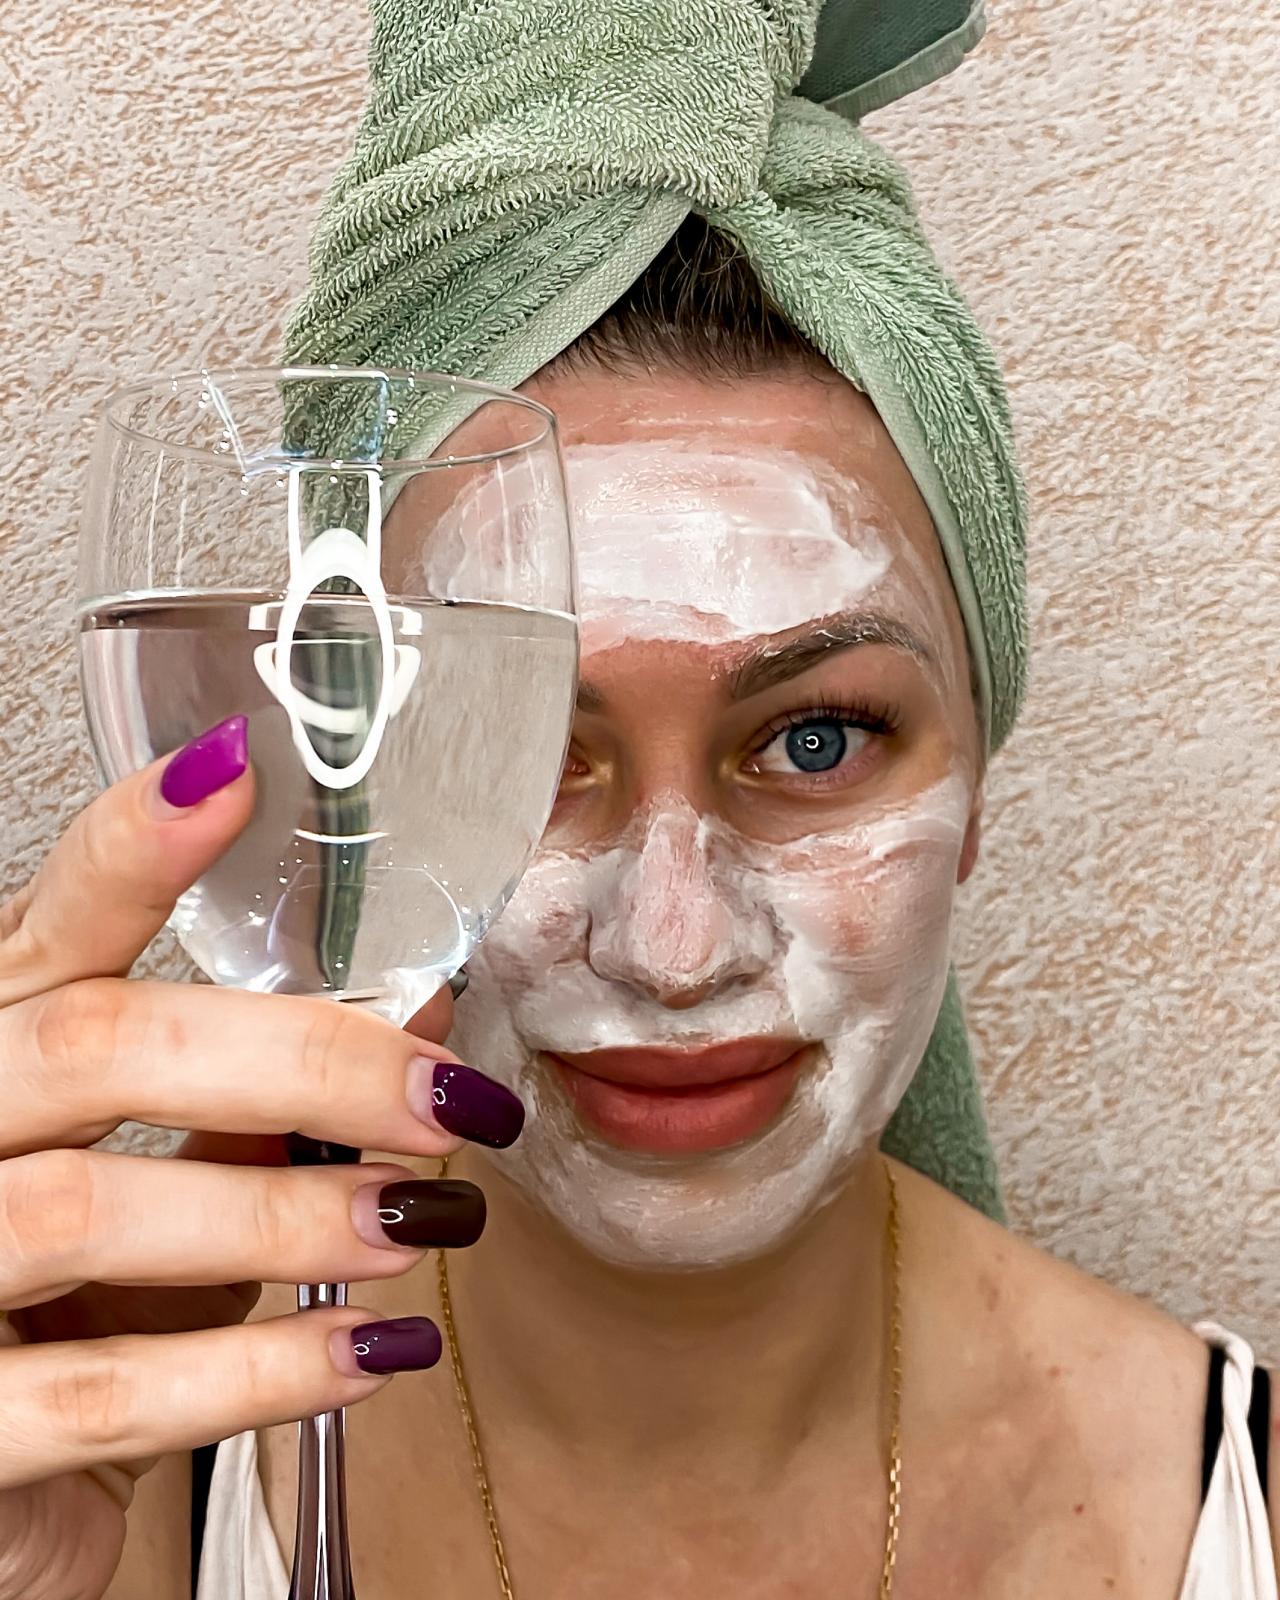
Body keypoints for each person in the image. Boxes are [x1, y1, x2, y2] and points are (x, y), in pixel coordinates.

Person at [1, 6, 1274, 1600]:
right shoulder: (88, 1495)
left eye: (818, 740)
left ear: (973, 790)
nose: (673, 952)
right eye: (522, 746)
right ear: (345, 787)